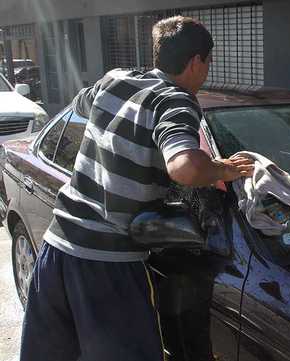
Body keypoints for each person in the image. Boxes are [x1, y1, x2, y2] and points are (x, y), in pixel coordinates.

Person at [20, 16, 253, 361]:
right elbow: (185, 167)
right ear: (196, 62)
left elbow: (81, 104)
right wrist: (225, 168)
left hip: (56, 253)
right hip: (107, 265)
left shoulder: (116, 78)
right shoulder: (176, 102)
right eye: (207, 63)